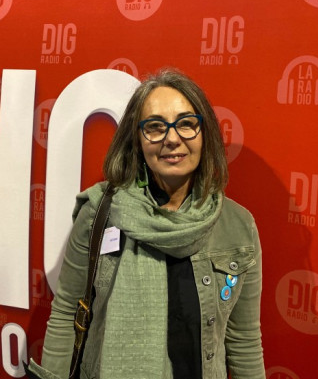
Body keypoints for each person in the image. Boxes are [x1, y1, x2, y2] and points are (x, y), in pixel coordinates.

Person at [27, 68, 264, 379]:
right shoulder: (99, 212)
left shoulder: (237, 226)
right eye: (155, 127)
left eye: (187, 124)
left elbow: (243, 341)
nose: (172, 138)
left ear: (205, 134)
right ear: (137, 141)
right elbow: (67, 311)